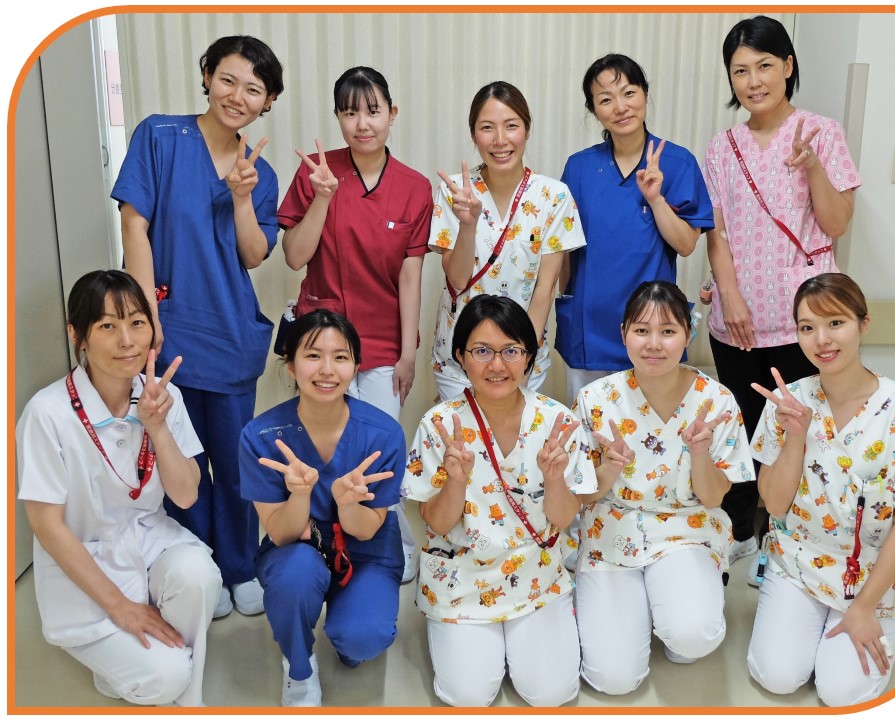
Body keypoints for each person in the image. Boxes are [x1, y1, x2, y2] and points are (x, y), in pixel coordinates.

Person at [111, 35, 285, 617]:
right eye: (228, 80)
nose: (238, 96)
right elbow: (134, 224)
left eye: (254, 90)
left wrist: (242, 198)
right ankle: (199, 566)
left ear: (267, 102)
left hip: (229, 332)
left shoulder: (260, 173)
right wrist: (145, 314)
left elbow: (255, 254)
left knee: (234, 461)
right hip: (166, 330)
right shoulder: (160, 137)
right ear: (207, 75)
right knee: (178, 458)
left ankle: (239, 567)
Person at [16, 270, 221, 707]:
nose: (127, 341)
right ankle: (143, 670)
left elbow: (186, 496)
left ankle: (190, 697)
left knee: (200, 576)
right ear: (77, 335)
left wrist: (157, 427)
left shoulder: (162, 397)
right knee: (164, 679)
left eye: (137, 323)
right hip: (85, 561)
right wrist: (119, 606)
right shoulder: (47, 413)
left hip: (148, 542)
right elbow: (47, 526)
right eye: (107, 326)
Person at [702, 16, 861, 578]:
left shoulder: (822, 132)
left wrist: (812, 166)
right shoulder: (722, 147)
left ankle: (784, 540)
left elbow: (837, 222)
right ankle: (740, 532)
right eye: (740, 70)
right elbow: (716, 232)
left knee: (798, 434)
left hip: (806, 325)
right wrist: (730, 297)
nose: (753, 81)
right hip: (737, 323)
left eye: (765, 65)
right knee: (742, 431)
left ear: (788, 66)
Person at [747, 273, 895, 706]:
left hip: (875, 572)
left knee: (841, 693)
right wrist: (796, 436)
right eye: (807, 327)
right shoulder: (787, 402)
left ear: (863, 324)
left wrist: (864, 607)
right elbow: (775, 504)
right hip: (800, 558)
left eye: (835, 323)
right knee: (777, 677)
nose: (822, 339)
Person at [402, 295, 597, 707]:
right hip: (461, 578)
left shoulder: (558, 422)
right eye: (482, 351)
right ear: (460, 356)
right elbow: (436, 524)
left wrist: (555, 480)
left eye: (511, 351)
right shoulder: (440, 425)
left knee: (552, 694)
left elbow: (563, 518)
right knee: (468, 697)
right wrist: (456, 482)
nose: (497, 365)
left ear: (529, 357)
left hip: (536, 573)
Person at [278, 66, 430, 583]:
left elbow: (411, 276)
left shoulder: (414, 187)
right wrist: (322, 197)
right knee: (327, 446)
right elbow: (294, 257)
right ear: (338, 118)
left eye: (373, 111)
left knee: (380, 447)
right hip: (323, 341)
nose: (362, 124)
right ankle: (326, 541)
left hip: (384, 341)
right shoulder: (317, 175)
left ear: (392, 113)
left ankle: (393, 544)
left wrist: (408, 352)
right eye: (349, 113)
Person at [573, 280, 753, 694]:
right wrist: (608, 469)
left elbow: (713, 497)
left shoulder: (716, 401)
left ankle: (672, 613)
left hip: (685, 529)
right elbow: (583, 495)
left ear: (688, 335)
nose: (654, 344)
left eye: (668, 331)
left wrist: (701, 453)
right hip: (611, 530)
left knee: (693, 637)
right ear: (624, 334)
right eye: (642, 330)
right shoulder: (595, 399)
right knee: (613, 680)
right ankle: (636, 604)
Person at [239, 310, 405, 707]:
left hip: (365, 550)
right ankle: (299, 667)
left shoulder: (384, 434)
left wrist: (347, 503)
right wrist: (299, 495)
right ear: (290, 365)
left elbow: (365, 530)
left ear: (356, 366)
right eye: (313, 355)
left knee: (362, 639)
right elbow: (282, 534)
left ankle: (347, 632)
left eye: (340, 357)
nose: (327, 369)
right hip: (300, 547)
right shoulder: (262, 436)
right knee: (294, 577)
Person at [556, 53, 714, 405]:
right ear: (594, 109)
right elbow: (563, 253)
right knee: (589, 429)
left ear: (644, 94)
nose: (620, 107)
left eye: (628, 93)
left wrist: (656, 200)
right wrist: (569, 300)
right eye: (605, 99)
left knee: (651, 430)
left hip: (653, 330)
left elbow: (686, 244)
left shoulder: (677, 163)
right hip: (589, 330)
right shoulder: (579, 168)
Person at [430, 81, 586, 400]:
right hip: (460, 358)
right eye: (487, 127)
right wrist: (468, 225)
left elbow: (545, 288)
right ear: (474, 134)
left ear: (527, 130)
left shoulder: (553, 196)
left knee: (515, 434)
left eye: (511, 126)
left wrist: (521, 359)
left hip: (522, 355)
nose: (500, 140)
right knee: (464, 434)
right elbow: (457, 279)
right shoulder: (455, 192)